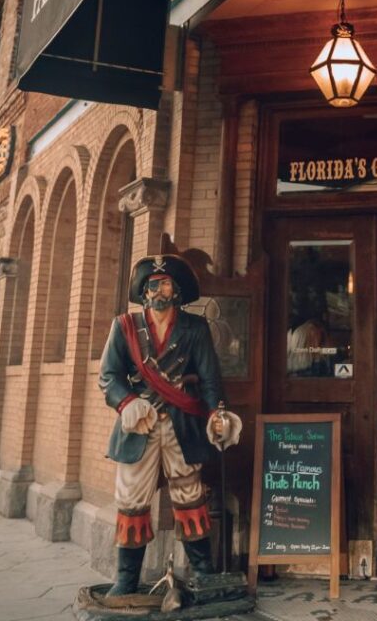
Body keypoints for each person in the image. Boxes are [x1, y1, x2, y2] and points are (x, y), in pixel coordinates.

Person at [99, 254, 242, 598]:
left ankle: (204, 573)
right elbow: (109, 376)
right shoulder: (125, 326)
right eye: (152, 284)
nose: (159, 290)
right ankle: (126, 579)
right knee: (131, 499)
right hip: (139, 425)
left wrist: (217, 414)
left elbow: (209, 380)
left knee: (190, 496)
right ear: (144, 291)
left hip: (182, 424)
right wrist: (127, 402)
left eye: (165, 284)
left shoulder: (195, 328)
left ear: (177, 290)